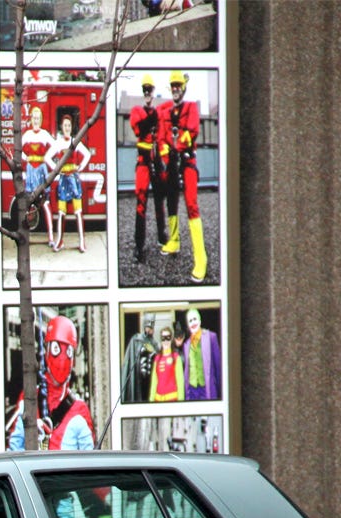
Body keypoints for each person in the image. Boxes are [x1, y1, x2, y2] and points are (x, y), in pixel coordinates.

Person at [157, 70, 207, 281]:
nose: (176, 89)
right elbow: (161, 138)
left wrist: (177, 145)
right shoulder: (166, 112)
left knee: (191, 204)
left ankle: (201, 258)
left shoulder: (191, 108)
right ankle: (174, 241)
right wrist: (167, 157)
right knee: (171, 202)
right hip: (172, 163)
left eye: (179, 85)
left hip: (187, 162)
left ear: (183, 88)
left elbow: (192, 130)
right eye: (173, 86)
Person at [128, 73, 167, 259]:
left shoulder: (157, 112)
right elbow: (138, 129)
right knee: (141, 201)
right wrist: (150, 121)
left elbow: (161, 134)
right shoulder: (137, 110)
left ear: (153, 92)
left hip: (156, 159)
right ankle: (139, 244)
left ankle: (162, 236)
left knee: (160, 199)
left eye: (149, 90)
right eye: (144, 90)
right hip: (143, 161)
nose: (147, 93)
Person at [46, 114, 93, 253]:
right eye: (65, 125)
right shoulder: (58, 142)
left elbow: (87, 155)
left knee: (78, 212)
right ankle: (59, 241)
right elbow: (47, 157)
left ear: (71, 127)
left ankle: (82, 242)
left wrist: (80, 167)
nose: (67, 128)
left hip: (74, 179)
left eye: (69, 125)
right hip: (63, 181)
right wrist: (57, 168)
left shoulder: (75, 141)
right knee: (61, 213)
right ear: (62, 127)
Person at [19, 105, 54, 232]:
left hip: (41, 170)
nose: (36, 120)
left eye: (38, 118)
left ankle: (51, 236)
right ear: (31, 119)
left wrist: (47, 157)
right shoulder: (27, 135)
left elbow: (56, 147)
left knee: (45, 204)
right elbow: (17, 148)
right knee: (29, 202)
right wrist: (25, 158)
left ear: (41, 119)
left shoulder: (45, 135)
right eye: (34, 118)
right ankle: (26, 233)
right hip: (30, 171)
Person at [181, 306, 222, 400]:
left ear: (199, 321)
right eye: (190, 321)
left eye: (195, 319)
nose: (193, 323)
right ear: (188, 325)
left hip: (206, 389)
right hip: (192, 391)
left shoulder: (211, 337)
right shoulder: (186, 344)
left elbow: (218, 367)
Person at [122, 320, 156, 404]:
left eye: (151, 327)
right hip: (139, 379)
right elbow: (133, 357)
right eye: (147, 327)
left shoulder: (154, 343)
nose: (149, 330)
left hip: (150, 380)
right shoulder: (136, 340)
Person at [148, 324, 183, 402]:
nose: (166, 341)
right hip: (158, 401)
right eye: (163, 338)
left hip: (172, 400)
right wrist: (151, 401)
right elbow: (154, 381)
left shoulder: (176, 357)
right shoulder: (157, 358)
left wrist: (181, 405)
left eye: (168, 338)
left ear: (171, 339)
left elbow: (180, 383)